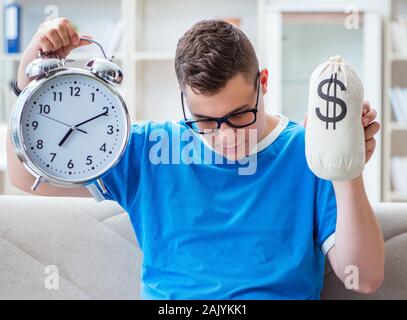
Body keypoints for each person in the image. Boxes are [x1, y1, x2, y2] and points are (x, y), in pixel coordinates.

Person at [7, 17, 384, 299]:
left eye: (239, 115)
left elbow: (362, 277)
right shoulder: (147, 149)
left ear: (263, 82)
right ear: (183, 98)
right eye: (204, 120)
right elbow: (26, 180)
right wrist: (31, 80)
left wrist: (344, 163)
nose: (226, 137)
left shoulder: (306, 151)